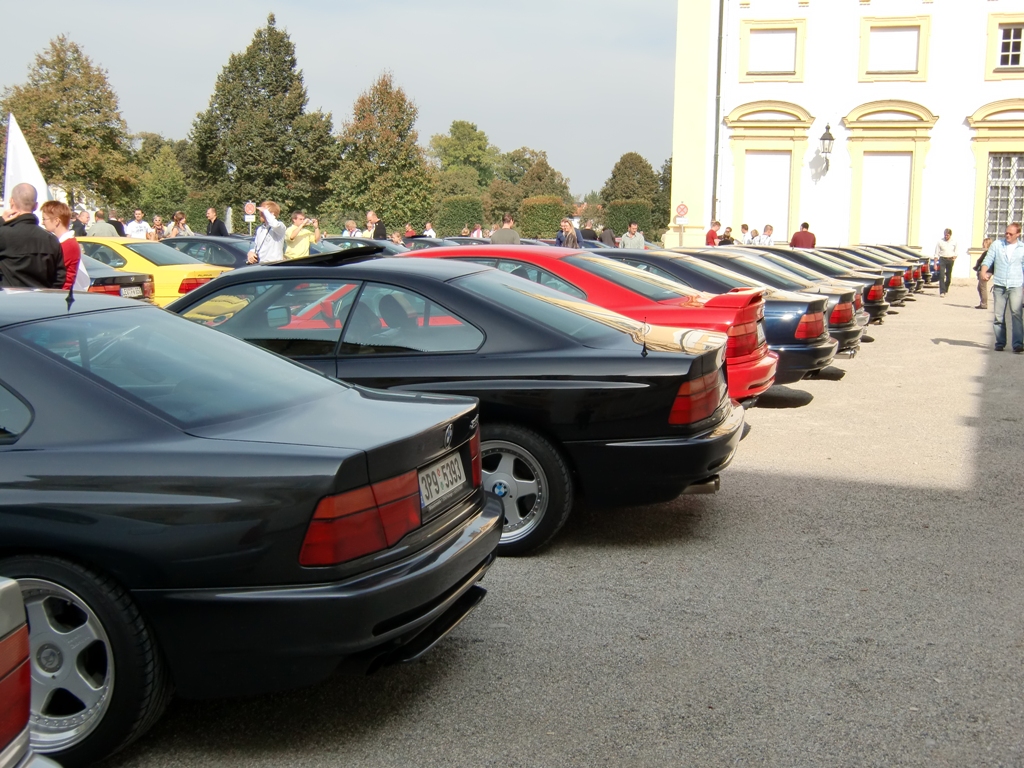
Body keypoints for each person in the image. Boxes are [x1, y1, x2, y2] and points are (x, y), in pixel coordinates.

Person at [0, 182, 65, 288]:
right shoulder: (51, 239)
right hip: (42, 297)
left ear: (12, 202)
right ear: (36, 206)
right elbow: (59, 278)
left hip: (9, 297)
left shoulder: (3, 235)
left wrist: (1, 221)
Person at [980, 223, 1024, 352]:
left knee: (1016, 314)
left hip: (1016, 285)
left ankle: (1018, 344)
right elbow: (988, 259)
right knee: (998, 316)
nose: (1007, 235)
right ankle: (1000, 342)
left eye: (1011, 234)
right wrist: (983, 271)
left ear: (1018, 234)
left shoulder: (1022, 248)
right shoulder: (997, 245)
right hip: (1000, 285)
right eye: (1006, 233)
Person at [40, 200, 86, 290]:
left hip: (61, 293)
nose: (42, 222)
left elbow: (52, 272)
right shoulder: (65, 243)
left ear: (57, 221)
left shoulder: (68, 245)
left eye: (44, 219)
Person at [935, 228, 958, 297]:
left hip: (950, 259)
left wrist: (954, 257)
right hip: (942, 259)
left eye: (947, 235)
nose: (946, 236)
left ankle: (945, 288)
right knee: (941, 276)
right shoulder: (940, 242)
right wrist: (935, 263)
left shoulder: (954, 242)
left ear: (950, 235)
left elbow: (956, 251)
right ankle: (942, 291)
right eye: (945, 235)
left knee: (948, 276)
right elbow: (936, 253)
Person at [974, 237, 994, 310]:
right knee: (980, 287)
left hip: (986, 271)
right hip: (986, 271)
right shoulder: (988, 252)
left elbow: (983, 262)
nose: (983, 244)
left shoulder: (988, 253)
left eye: (984, 243)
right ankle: (982, 302)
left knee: (982, 288)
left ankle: (984, 304)